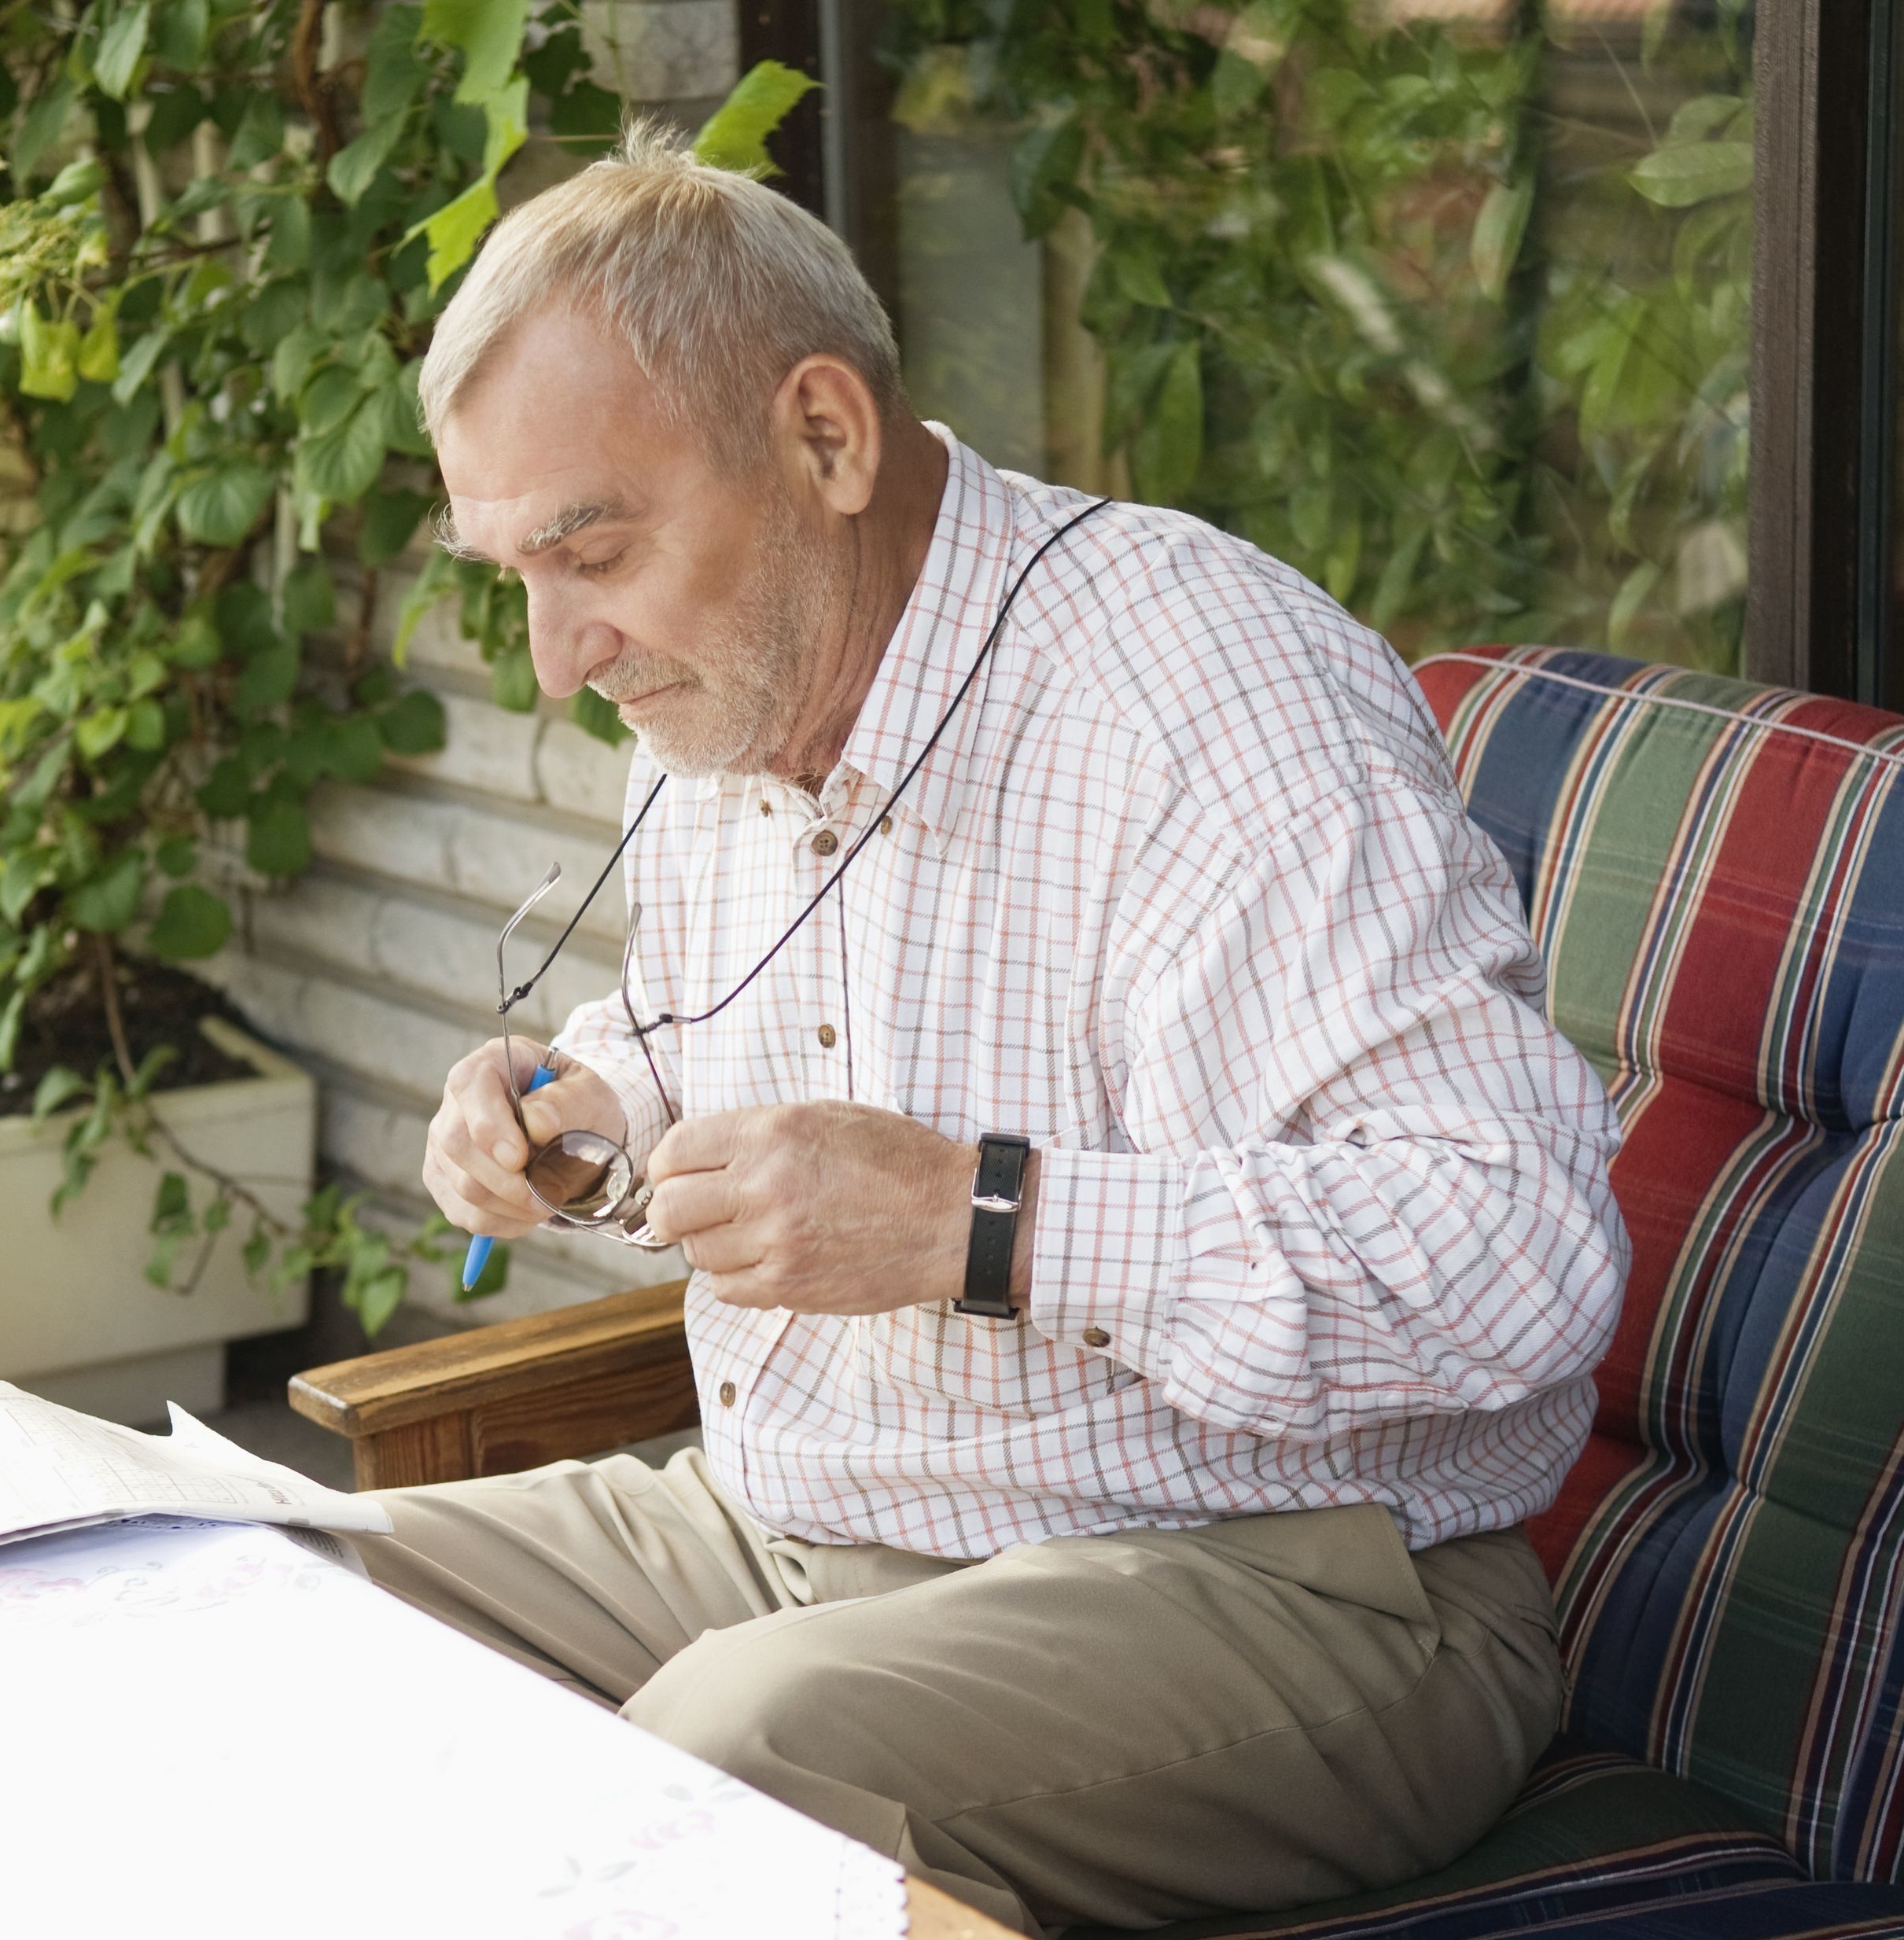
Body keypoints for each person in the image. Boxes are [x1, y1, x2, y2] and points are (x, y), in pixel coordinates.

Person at [374, 125, 1631, 1935]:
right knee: (281, 1585)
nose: (557, 652)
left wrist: (973, 1218)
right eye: (512, 572)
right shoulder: (725, 692)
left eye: (592, 549)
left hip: (1293, 1586)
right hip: (803, 1528)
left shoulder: (1206, 706)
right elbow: (692, 1029)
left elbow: (1511, 1254)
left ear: (823, 436)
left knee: (713, 1763)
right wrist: (576, 1108)